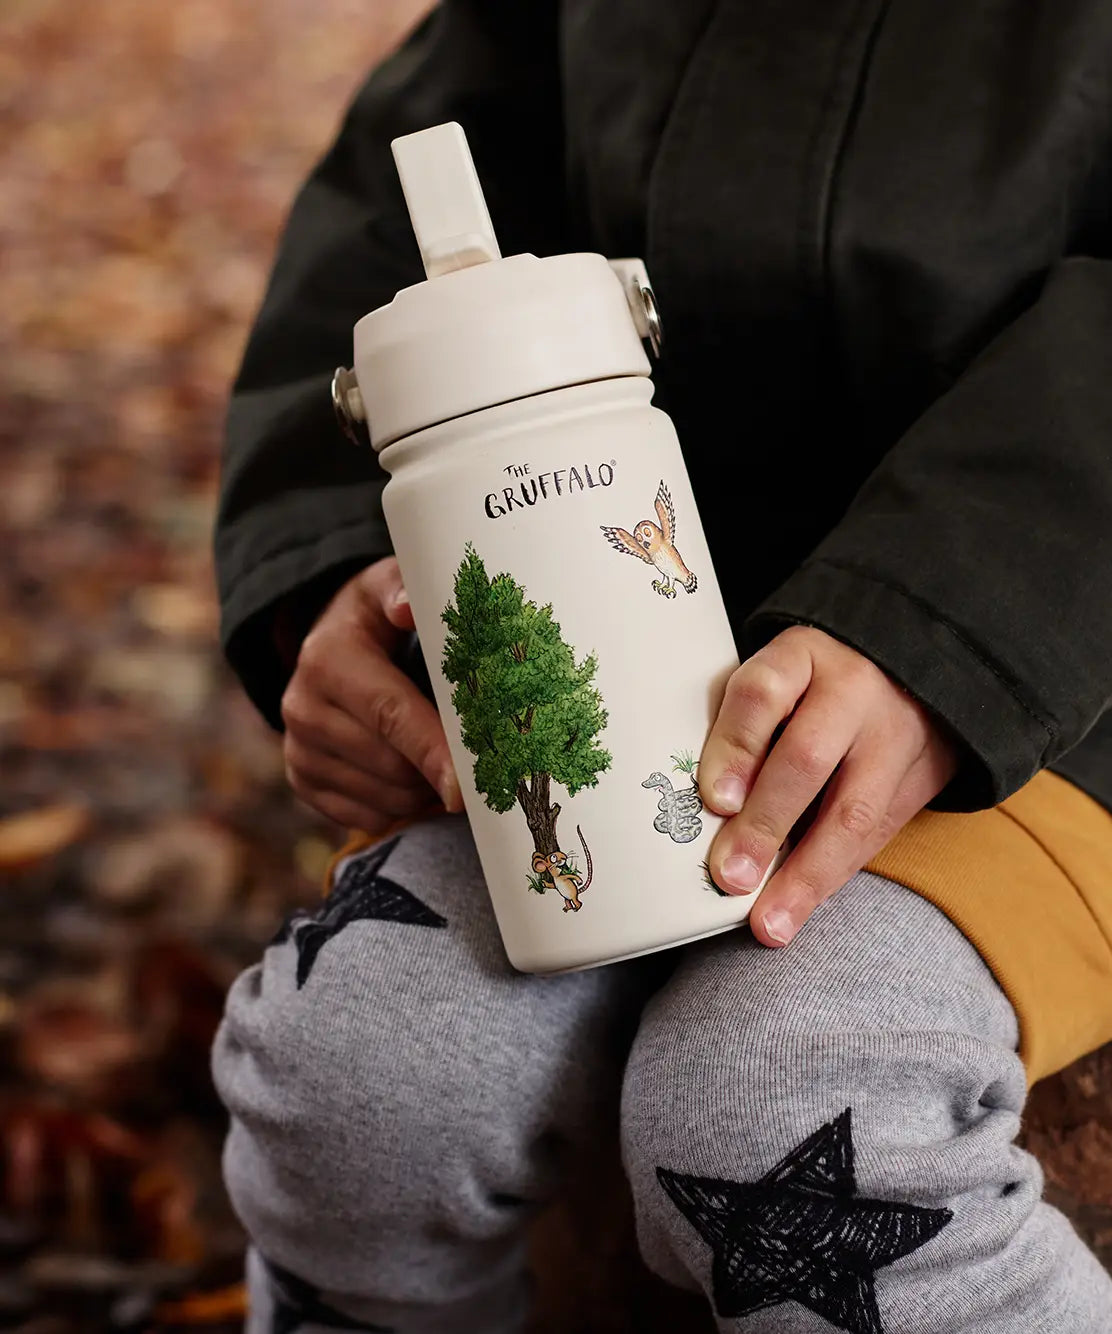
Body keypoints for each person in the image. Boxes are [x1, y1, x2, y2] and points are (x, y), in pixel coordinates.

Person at [210, 2, 1112, 1329]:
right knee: (354, 1071)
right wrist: (335, 571)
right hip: (604, 660)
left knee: (782, 1102)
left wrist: (947, 630)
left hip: (1055, 680)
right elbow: (402, 196)